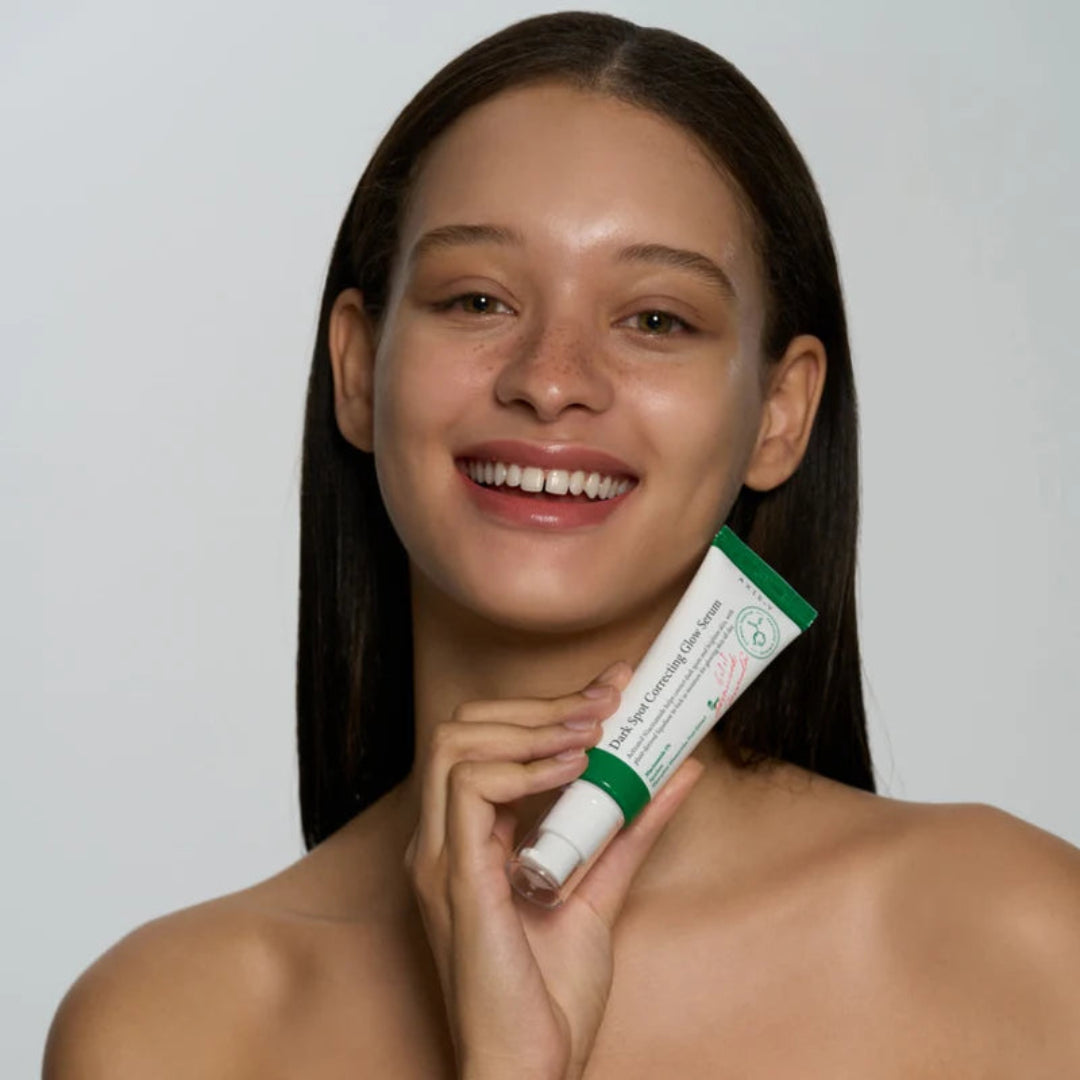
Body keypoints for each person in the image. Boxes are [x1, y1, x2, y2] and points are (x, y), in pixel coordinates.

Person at [43, 11, 1080, 1078]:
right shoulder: (168, 1030)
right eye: (477, 299)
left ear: (780, 413)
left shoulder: (1021, 946)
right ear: (357, 367)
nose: (549, 380)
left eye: (656, 320)